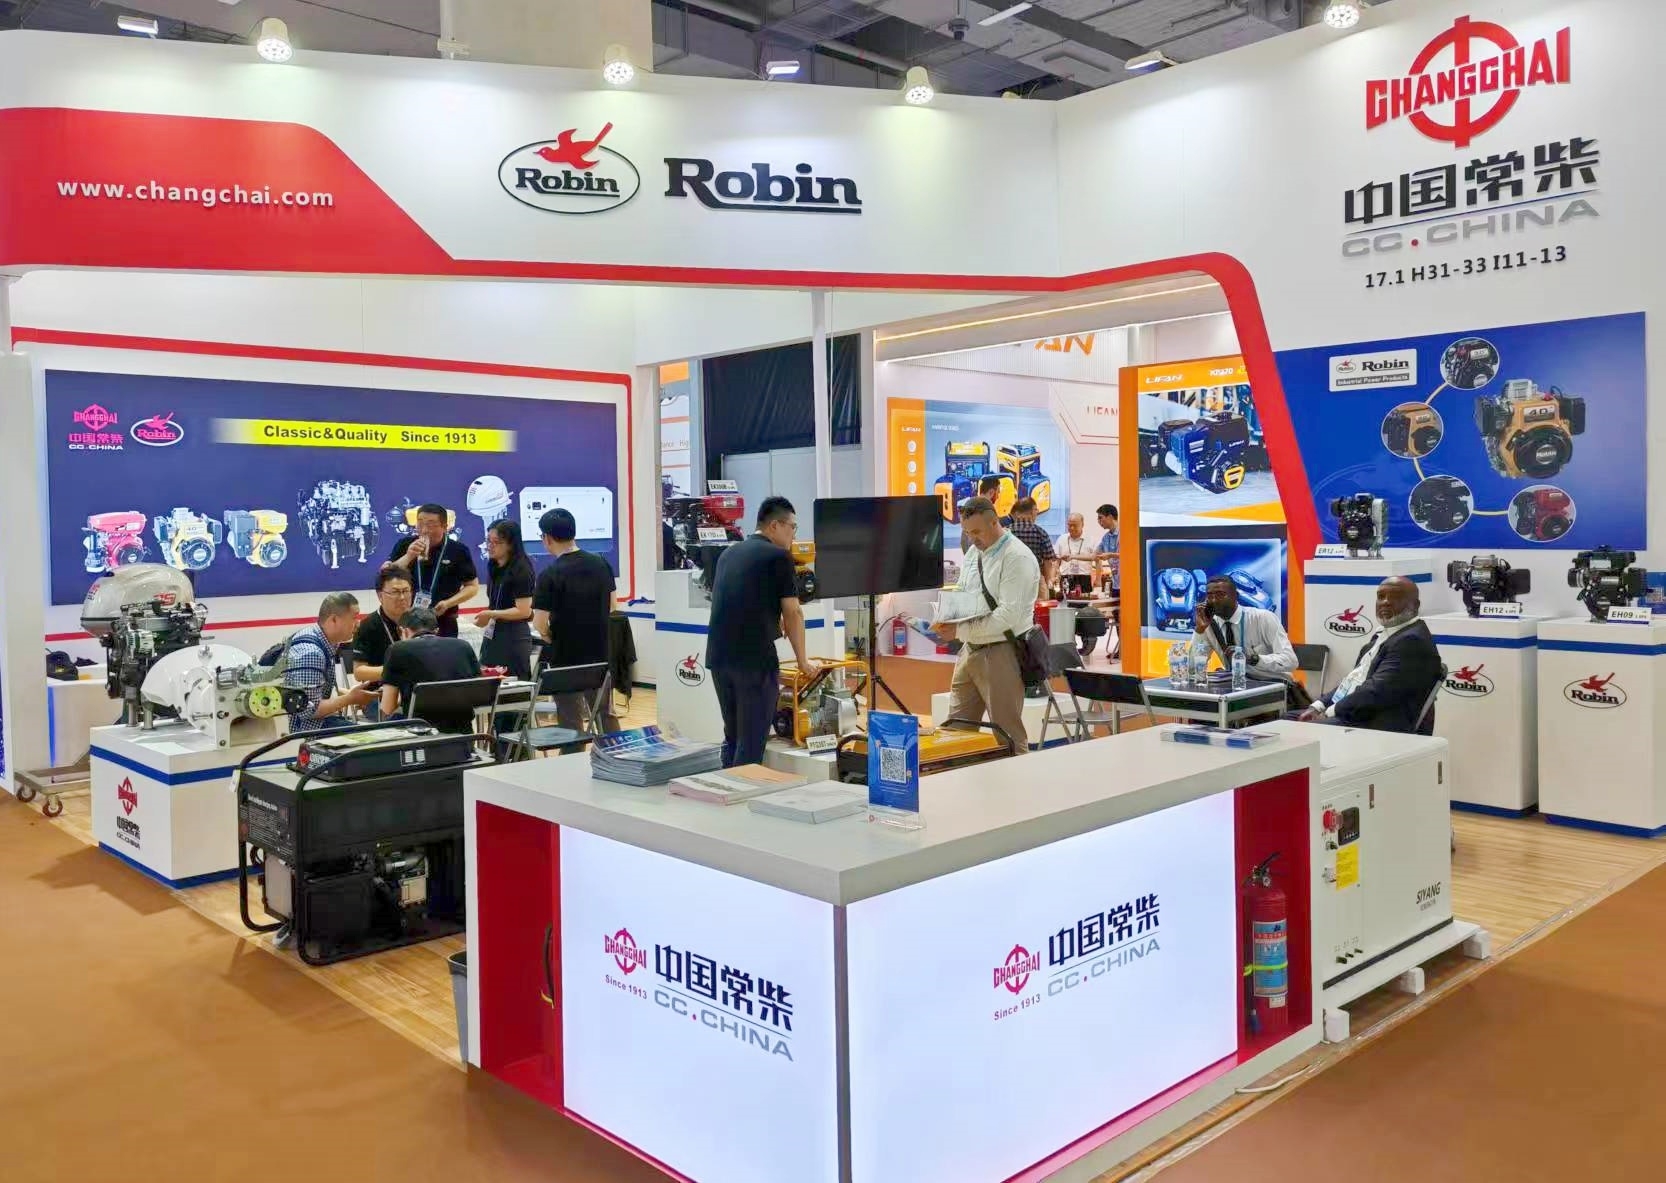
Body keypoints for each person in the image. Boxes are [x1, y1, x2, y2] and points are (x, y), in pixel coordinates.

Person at [706, 496, 818, 768]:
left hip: (719, 657)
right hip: (753, 660)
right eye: (792, 527)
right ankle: (742, 790)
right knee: (752, 740)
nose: (794, 534)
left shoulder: (729, 554)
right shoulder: (778, 557)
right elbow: (793, 612)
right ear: (775, 526)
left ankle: (724, 787)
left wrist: (771, 617)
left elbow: (741, 599)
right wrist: (803, 661)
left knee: (733, 736)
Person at [933, 496, 1039, 756]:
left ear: (995, 522)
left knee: (1008, 735)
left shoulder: (1017, 557)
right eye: (967, 532)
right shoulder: (974, 552)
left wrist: (958, 631)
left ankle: (1019, 780)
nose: (972, 538)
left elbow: (1007, 617)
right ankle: (963, 779)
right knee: (955, 732)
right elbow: (963, 592)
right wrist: (947, 615)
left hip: (1001, 652)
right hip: (970, 650)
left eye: (977, 532)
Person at [1300, 576, 1442, 733]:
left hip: (1376, 724)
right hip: (1356, 713)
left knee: (1299, 730)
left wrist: (1328, 712)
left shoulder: (1412, 641)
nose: (1385, 602)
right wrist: (1318, 706)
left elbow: (1374, 692)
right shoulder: (1385, 634)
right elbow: (1352, 681)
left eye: (1395, 597)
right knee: (1288, 719)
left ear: (1415, 605)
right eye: (1381, 596)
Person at [531, 507, 618, 731]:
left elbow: (539, 623)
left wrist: (549, 636)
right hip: (599, 654)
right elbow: (612, 606)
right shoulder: (601, 564)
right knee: (605, 714)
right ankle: (617, 751)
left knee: (570, 722)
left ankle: (573, 753)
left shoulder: (549, 575)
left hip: (565, 658)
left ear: (547, 538)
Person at [378, 607, 483, 734]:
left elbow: (387, 707)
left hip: (421, 736)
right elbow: (479, 694)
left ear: (403, 631)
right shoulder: (463, 646)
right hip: (464, 736)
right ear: (436, 631)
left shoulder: (397, 649)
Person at [283, 592, 377, 734]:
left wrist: (349, 695)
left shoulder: (317, 637)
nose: (358, 624)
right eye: (354, 618)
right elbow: (308, 711)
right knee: (368, 739)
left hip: (317, 722)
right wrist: (350, 698)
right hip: (305, 730)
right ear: (334, 619)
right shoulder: (311, 653)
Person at [386, 503, 479, 638]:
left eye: (431, 524)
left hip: (443, 618)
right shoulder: (404, 545)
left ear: (445, 527)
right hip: (407, 618)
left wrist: (448, 603)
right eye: (420, 523)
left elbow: (472, 587)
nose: (424, 530)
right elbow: (387, 576)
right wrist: (409, 556)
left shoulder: (458, 550)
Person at [1186, 573, 1297, 673]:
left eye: (1220, 595)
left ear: (1236, 596)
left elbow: (1290, 661)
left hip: (1273, 683)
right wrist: (1199, 630)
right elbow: (1191, 669)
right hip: (1236, 684)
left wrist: (1252, 658)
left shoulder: (1263, 618)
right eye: (1210, 596)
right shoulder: (1208, 624)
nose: (1214, 600)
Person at [475, 519, 538, 680]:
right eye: (488, 541)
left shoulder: (521, 569)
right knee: (487, 681)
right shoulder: (494, 565)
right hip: (493, 633)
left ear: (511, 544)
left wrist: (491, 614)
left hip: (513, 637)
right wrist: (489, 616)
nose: (490, 546)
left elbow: (524, 611)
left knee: (513, 687)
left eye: (496, 542)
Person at [350, 565, 415, 684]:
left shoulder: (420, 620)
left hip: (416, 689)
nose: (402, 597)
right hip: (380, 690)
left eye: (406, 591)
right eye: (395, 592)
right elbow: (359, 672)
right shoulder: (367, 626)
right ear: (380, 596)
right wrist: (397, 670)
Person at [1007, 497, 1057, 593]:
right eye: (1036, 511)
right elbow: (1048, 561)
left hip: (1011, 581)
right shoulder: (1040, 533)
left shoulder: (1006, 532)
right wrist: (1048, 582)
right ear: (1032, 511)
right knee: (1040, 602)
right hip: (1035, 581)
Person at [1056, 512, 1096, 597]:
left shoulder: (1091, 539)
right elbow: (1057, 560)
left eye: (1075, 525)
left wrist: (1098, 579)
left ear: (1082, 525)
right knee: (1065, 602)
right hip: (1065, 578)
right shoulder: (1061, 539)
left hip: (1084, 578)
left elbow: (1097, 560)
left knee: (1084, 603)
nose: (1072, 528)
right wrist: (1055, 575)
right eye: (1069, 525)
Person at [1095, 503, 1121, 595]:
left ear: (1110, 517)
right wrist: (1072, 556)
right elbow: (1094, 556)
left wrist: (1110, 555)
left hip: (1129, 583)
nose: (1098, 521)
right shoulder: (1106, 538)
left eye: (1100, 518)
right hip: (1116, 584)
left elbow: (1130, 555)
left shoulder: (1125, 532)